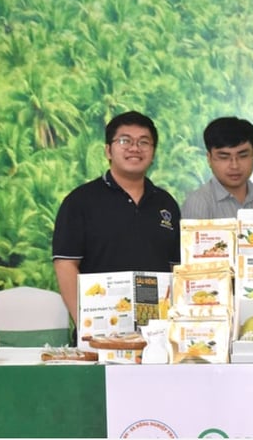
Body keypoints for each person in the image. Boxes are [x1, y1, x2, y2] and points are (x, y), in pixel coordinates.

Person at [52, 111, 181, 334]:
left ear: (153, 152)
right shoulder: (79, 201)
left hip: (157, 334)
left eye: (144, 142)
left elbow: (176, 268)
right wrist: (85, 325)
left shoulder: (166, 203)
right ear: (108, 150)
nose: (134, 148)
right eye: (124, 141)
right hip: (100, 331)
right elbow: (65, 264)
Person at [181, 116, 253, 219]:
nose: (234, 166)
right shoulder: (198, 203)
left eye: (243, 156)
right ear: (209, 158)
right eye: (224, 157)